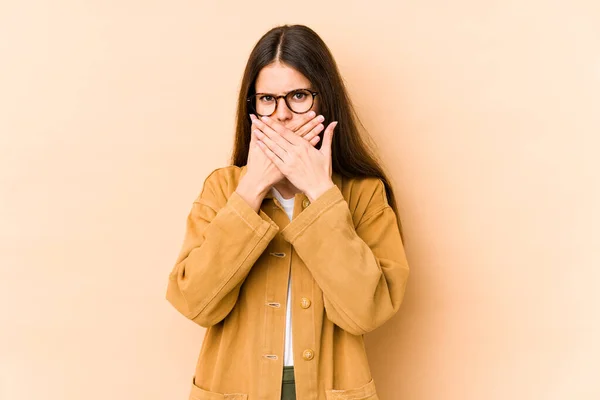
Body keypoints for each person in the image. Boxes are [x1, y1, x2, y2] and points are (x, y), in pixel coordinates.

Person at [166, 24, 410, 400]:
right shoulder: (223, 188)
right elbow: (194, 302)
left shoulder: (363, 193)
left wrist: (320, 191)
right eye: (267, 99)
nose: (281, 115)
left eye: (298, 96)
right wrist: (250, 190)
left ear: (324, 100)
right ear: (252, 107)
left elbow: (368, 310)